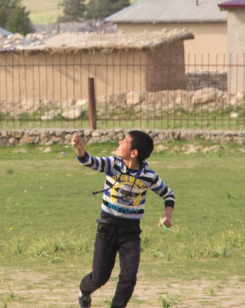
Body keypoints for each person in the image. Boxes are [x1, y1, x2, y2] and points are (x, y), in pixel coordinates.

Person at [70, 130, 175, 308]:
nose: (120, 142)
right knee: (100, 276)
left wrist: (167, 215)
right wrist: (80, 149)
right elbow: (89, 161)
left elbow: (168, 194)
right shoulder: (112, 164)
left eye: (124, 141)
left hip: (131, 231)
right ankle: (84, 291)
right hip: (107, 226)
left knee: (129, 278)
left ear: (134, 153)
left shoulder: (148, 175)